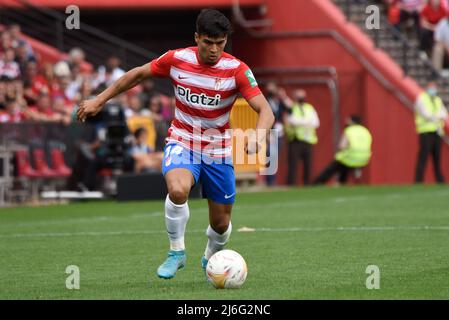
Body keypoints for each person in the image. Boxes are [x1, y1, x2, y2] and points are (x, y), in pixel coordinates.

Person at [76, 9, 275, 280]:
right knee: (178, 190)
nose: (214, 49)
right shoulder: (176, 59)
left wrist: (258, 135)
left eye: (220, 43)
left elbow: (265, 110)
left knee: (221, 223)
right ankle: (176, 252)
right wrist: (100, 99)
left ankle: (209, 255)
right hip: (183, 140)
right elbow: (136, 74)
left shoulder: (237, 70)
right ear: (196, 38)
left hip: (218, 150)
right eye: (208, 42)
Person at [313, 115, 372, 185]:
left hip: (351, 157)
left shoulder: (349, 130)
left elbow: (342, 146)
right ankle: (344, 181)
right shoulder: (365, 131)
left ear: (352, 122)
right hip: (364, 158)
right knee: (343, 166)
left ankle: (317, 183)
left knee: (336, 165)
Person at [281, 88, 319, 186]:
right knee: (293, 165)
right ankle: (291, 184)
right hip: (295, 139)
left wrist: (300, 122)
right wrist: (306, 122)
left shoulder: (309, 108)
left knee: (308, 165)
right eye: (298, 95)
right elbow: (292, 121)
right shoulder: (292, 107)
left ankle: (307, 183)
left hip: (308, 140)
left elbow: (315, 122)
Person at [414, 81, 448, 183]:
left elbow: (444, 114)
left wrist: (436, 116)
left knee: (437, 158)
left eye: (434, 87)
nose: (433, 89)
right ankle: (418, 180)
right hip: (426, 132)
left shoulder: (437, 100)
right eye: (431, 87)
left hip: (437, 132)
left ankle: (439, 180)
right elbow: (426, 115)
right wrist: (438, 116)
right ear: (427, 87)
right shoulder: (421, 98)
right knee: (423, 157)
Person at [264, 82, 286, 186]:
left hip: (279, 132)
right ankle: (270, 181)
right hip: (270, 132)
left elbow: (290, 109)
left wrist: (284, 96)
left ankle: (273, 180)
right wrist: (267, 134)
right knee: (270, 155)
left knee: (275, 156)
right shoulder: (266, 102)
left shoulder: (279, 102)